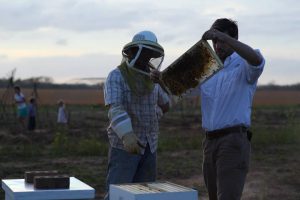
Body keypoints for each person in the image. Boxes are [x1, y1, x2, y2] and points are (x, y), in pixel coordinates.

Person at [199, 18, 265, 200]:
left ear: (233, 38)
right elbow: (177, 89)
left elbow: (257, 59)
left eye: (221, 40)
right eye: (214, 42)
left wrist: (222, 36)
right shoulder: (207, 67)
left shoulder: (244, 63)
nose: (217, 45)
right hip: (209, 143)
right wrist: (161, 80)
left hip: (233, 141)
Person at [103, 30, 170, 200]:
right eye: (144, 52)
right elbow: (115, 108)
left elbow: (166, 103)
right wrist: (127, 134)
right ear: (133, 52)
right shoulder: (116, 76)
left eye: (150, 54)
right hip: (124, 147)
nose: (147, 58)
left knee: (145, 194)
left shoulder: (152, 79)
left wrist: (158, 112)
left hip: (150, 145)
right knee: (119, 194)